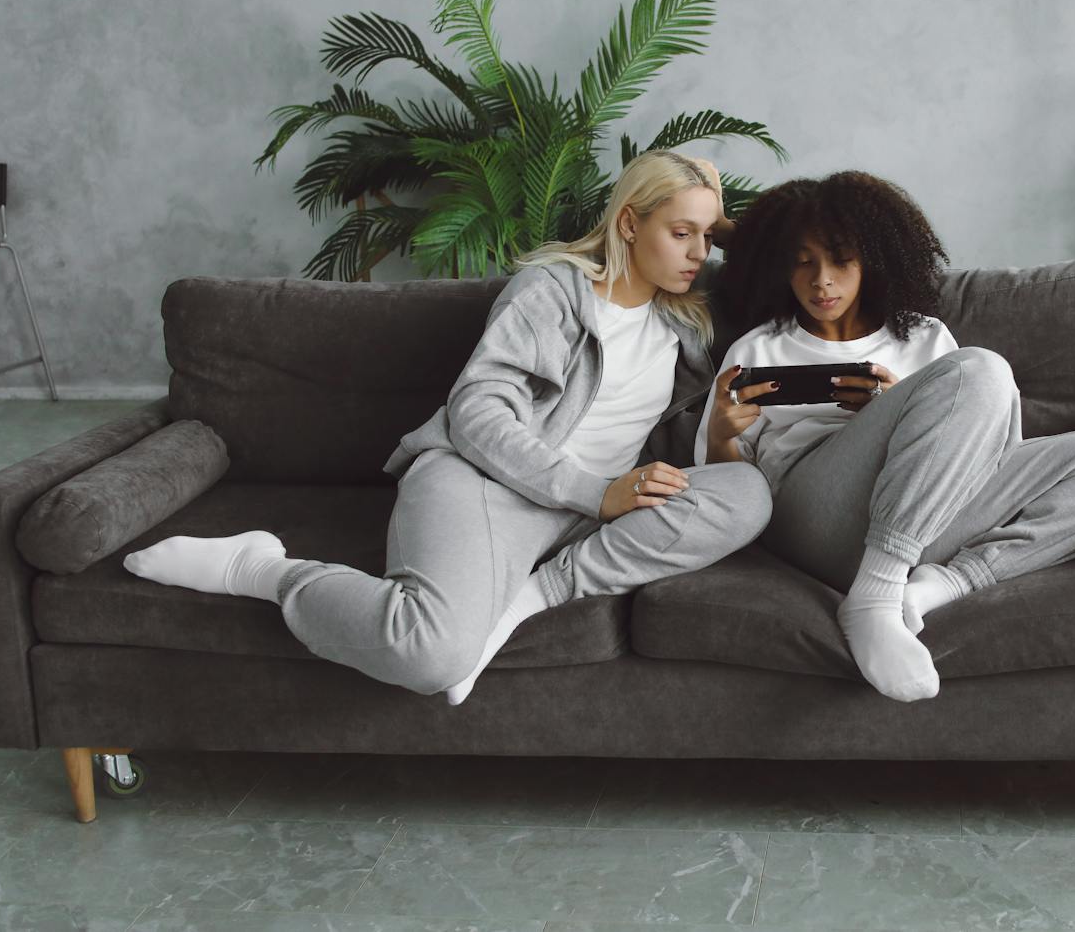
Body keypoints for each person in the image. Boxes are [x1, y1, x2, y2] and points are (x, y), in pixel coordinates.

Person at [125, 150, 772, 705]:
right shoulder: (553, 292)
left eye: (708, 237)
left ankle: (530, 596)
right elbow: (477, 412)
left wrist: (723, 218)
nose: (698, 253)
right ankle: (261, 568)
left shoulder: (689, 315)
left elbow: (786, 270)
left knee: (748, 492)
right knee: (427, 652)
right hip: (489, 482)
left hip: (595, 509)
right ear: (629, 222)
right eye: (681, 233)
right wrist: (596, 492)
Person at [698, 171, 1075, 703]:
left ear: (873, 258)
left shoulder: (924, 337)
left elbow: (992, 452)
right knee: (980, 368)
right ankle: (874, 596)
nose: (821, 281)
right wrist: (720, 435)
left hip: (927, 519)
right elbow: (724, 497)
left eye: (840, 260)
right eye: (802, 262)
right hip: (814, 519)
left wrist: (902, 408)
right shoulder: (759, 349)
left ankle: (937, 587)